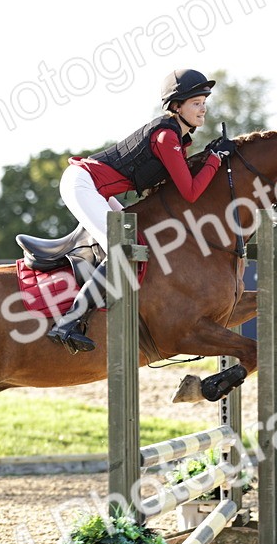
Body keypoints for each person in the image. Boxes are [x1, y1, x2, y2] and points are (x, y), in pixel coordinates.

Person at [47, 68, 237, 354]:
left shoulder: (179, 139)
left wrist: (209, 157)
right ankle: (67, 323)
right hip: (83, 184)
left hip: (99, 190)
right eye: (196, 103)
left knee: (139, 238)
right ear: (176, 106)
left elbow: (177, 189)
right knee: (123, 248)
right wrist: (213, 159)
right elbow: (191, 191)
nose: (203, 108)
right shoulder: (166, 137)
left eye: (204, 102)